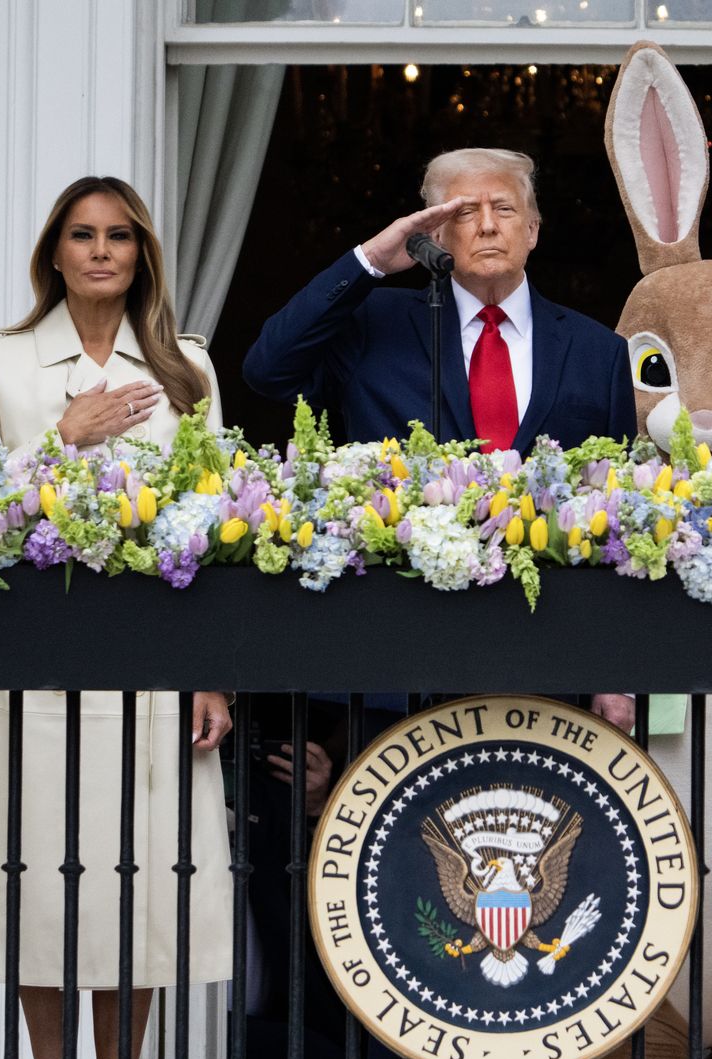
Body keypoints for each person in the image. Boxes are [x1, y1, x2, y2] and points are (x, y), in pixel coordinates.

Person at [0, 175, 235, 1059]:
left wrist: (213, 671)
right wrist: (62, 436)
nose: (101, 249)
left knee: (138, 886)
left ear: (142, 253)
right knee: (34, 881)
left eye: (118, 235)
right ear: (55, 254)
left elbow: (218, 521)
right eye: (82, 235)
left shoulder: (185, 367)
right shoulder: (4, 360)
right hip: (31, 661)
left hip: (151, 663)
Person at [243, 146, 641, 731]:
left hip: (546, 659)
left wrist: (614, 669)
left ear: (532, 230)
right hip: (395, 659)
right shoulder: (373, 325)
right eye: (462, 212)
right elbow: (266, 371)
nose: (485, 225)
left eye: (503, 208)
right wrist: (370, 262)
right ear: (431, 231)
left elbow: (619, 515)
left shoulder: (597, 351)